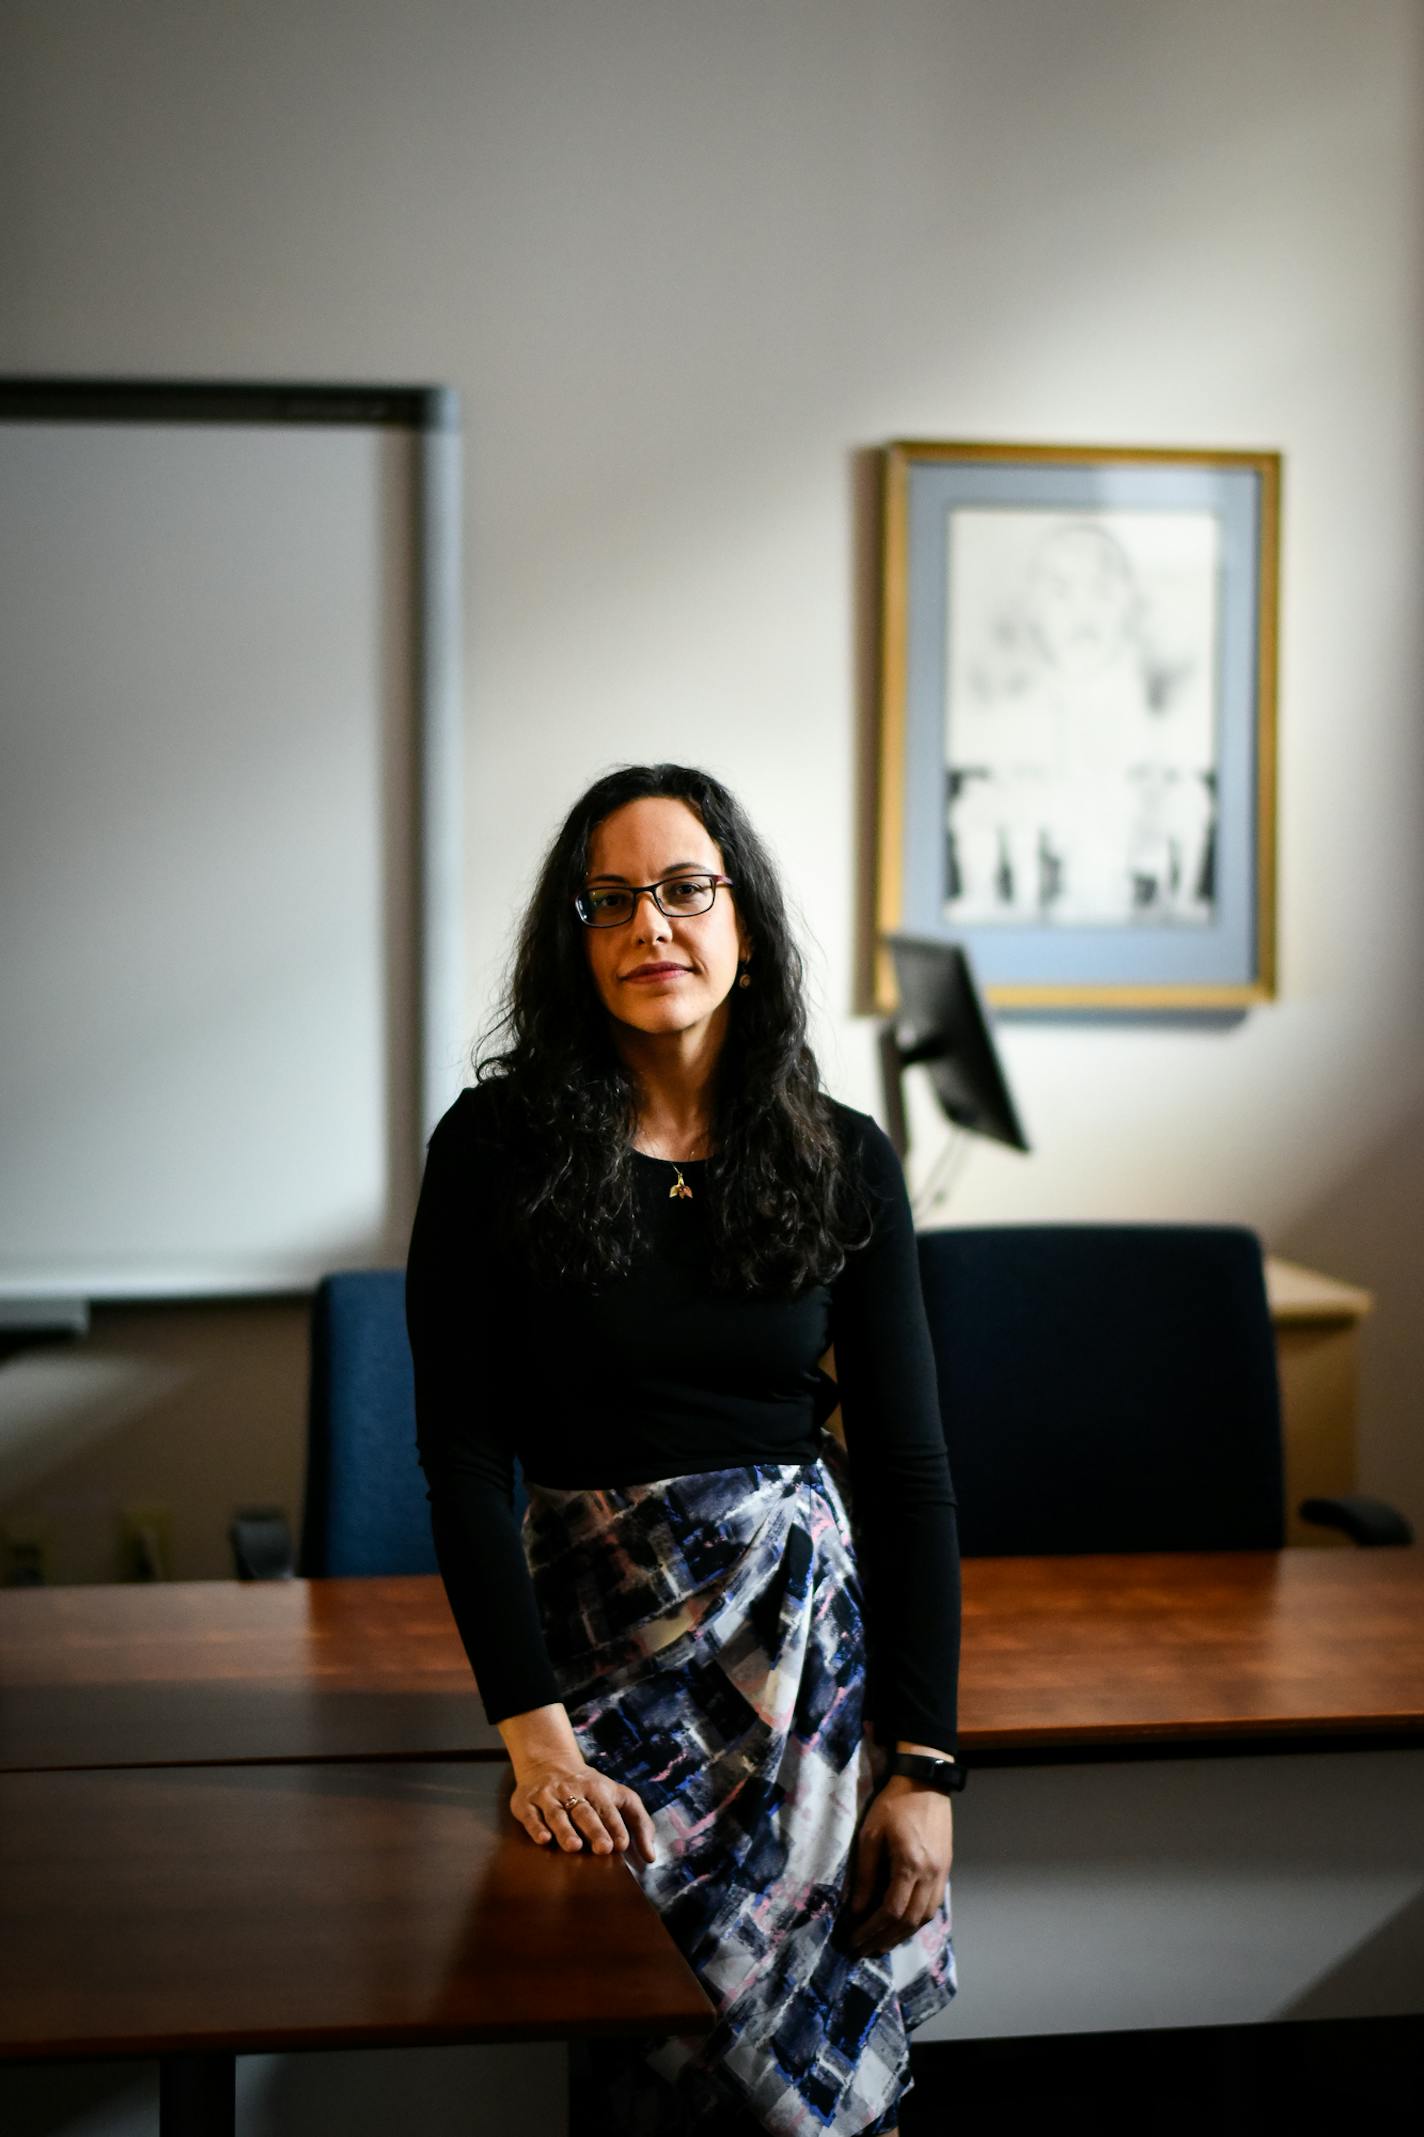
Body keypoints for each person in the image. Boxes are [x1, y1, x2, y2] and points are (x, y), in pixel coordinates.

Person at [405, 763, 962, 2137]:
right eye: (613, 900)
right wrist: (533, 1740)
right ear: (574, 940)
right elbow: (464, 1459)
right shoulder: (495, 1148)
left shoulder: (844, 1158)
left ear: (745, 924)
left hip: (812, 1694)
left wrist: (926, 1763)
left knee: (812, 2098)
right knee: (643, 2071)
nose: (652, 925)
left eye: (686, 889)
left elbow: (907, 1477)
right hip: (601, 1682)